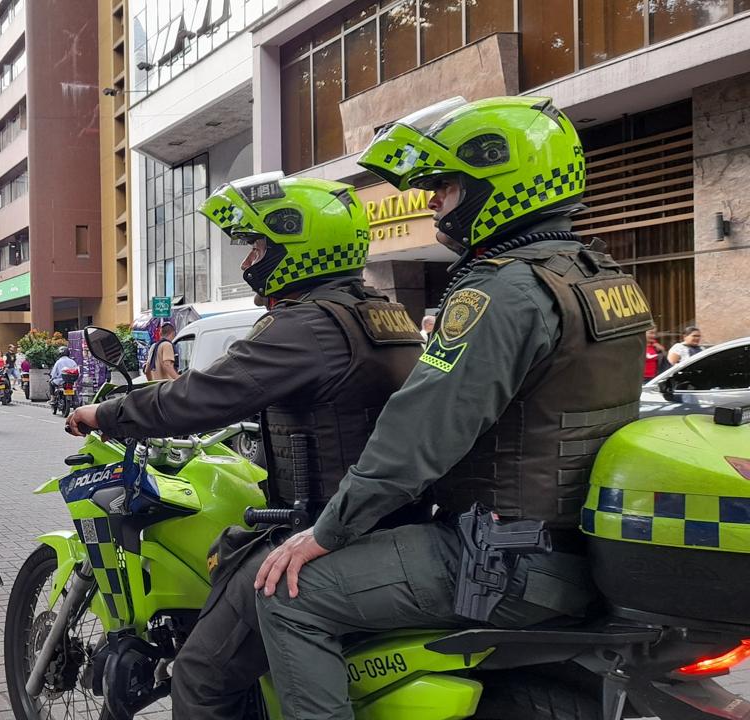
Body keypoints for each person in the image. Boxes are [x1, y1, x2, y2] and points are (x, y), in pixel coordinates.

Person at [252, 96, 650, 720]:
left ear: (500, 182)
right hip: (582, 548)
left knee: (288, 594)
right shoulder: (598, 276)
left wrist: (327, 532)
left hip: (509, 558)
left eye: (445, 184)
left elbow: (421, 435)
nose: (432, 200)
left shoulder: (504, 290)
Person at [66, 174, 424, 719]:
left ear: (295, 247)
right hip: (394, 522)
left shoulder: (306, 325)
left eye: (258, 246)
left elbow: (202, 396)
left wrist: (108, 413)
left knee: (201, 675)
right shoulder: (384, 315)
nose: (249, 261)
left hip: (327, 531)